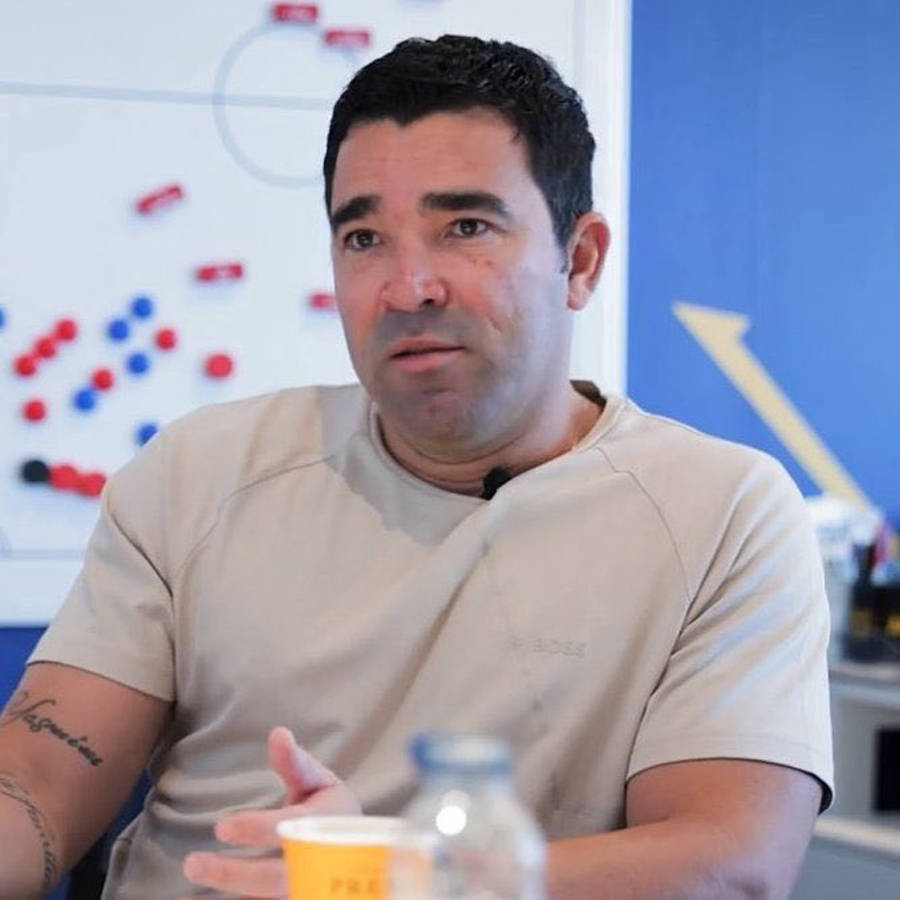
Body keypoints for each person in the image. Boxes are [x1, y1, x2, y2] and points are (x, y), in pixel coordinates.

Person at [0, 35, 831, 900]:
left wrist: (394, 878)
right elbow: (37, 785)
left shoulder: (721, 511)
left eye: (465, 228)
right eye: (364, 238)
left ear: (579, 260)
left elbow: (729, 864)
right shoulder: (197, 473)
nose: (408, 288)